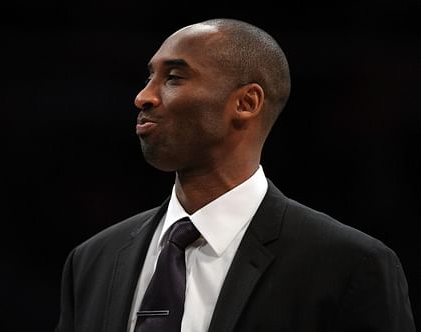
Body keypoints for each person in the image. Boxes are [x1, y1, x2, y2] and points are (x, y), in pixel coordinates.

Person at [55, 18, 415, 331]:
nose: (143, 96)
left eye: (174, 77)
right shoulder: (93, 260)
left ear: (246, 103)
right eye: (150, 76)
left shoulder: (348, 265)